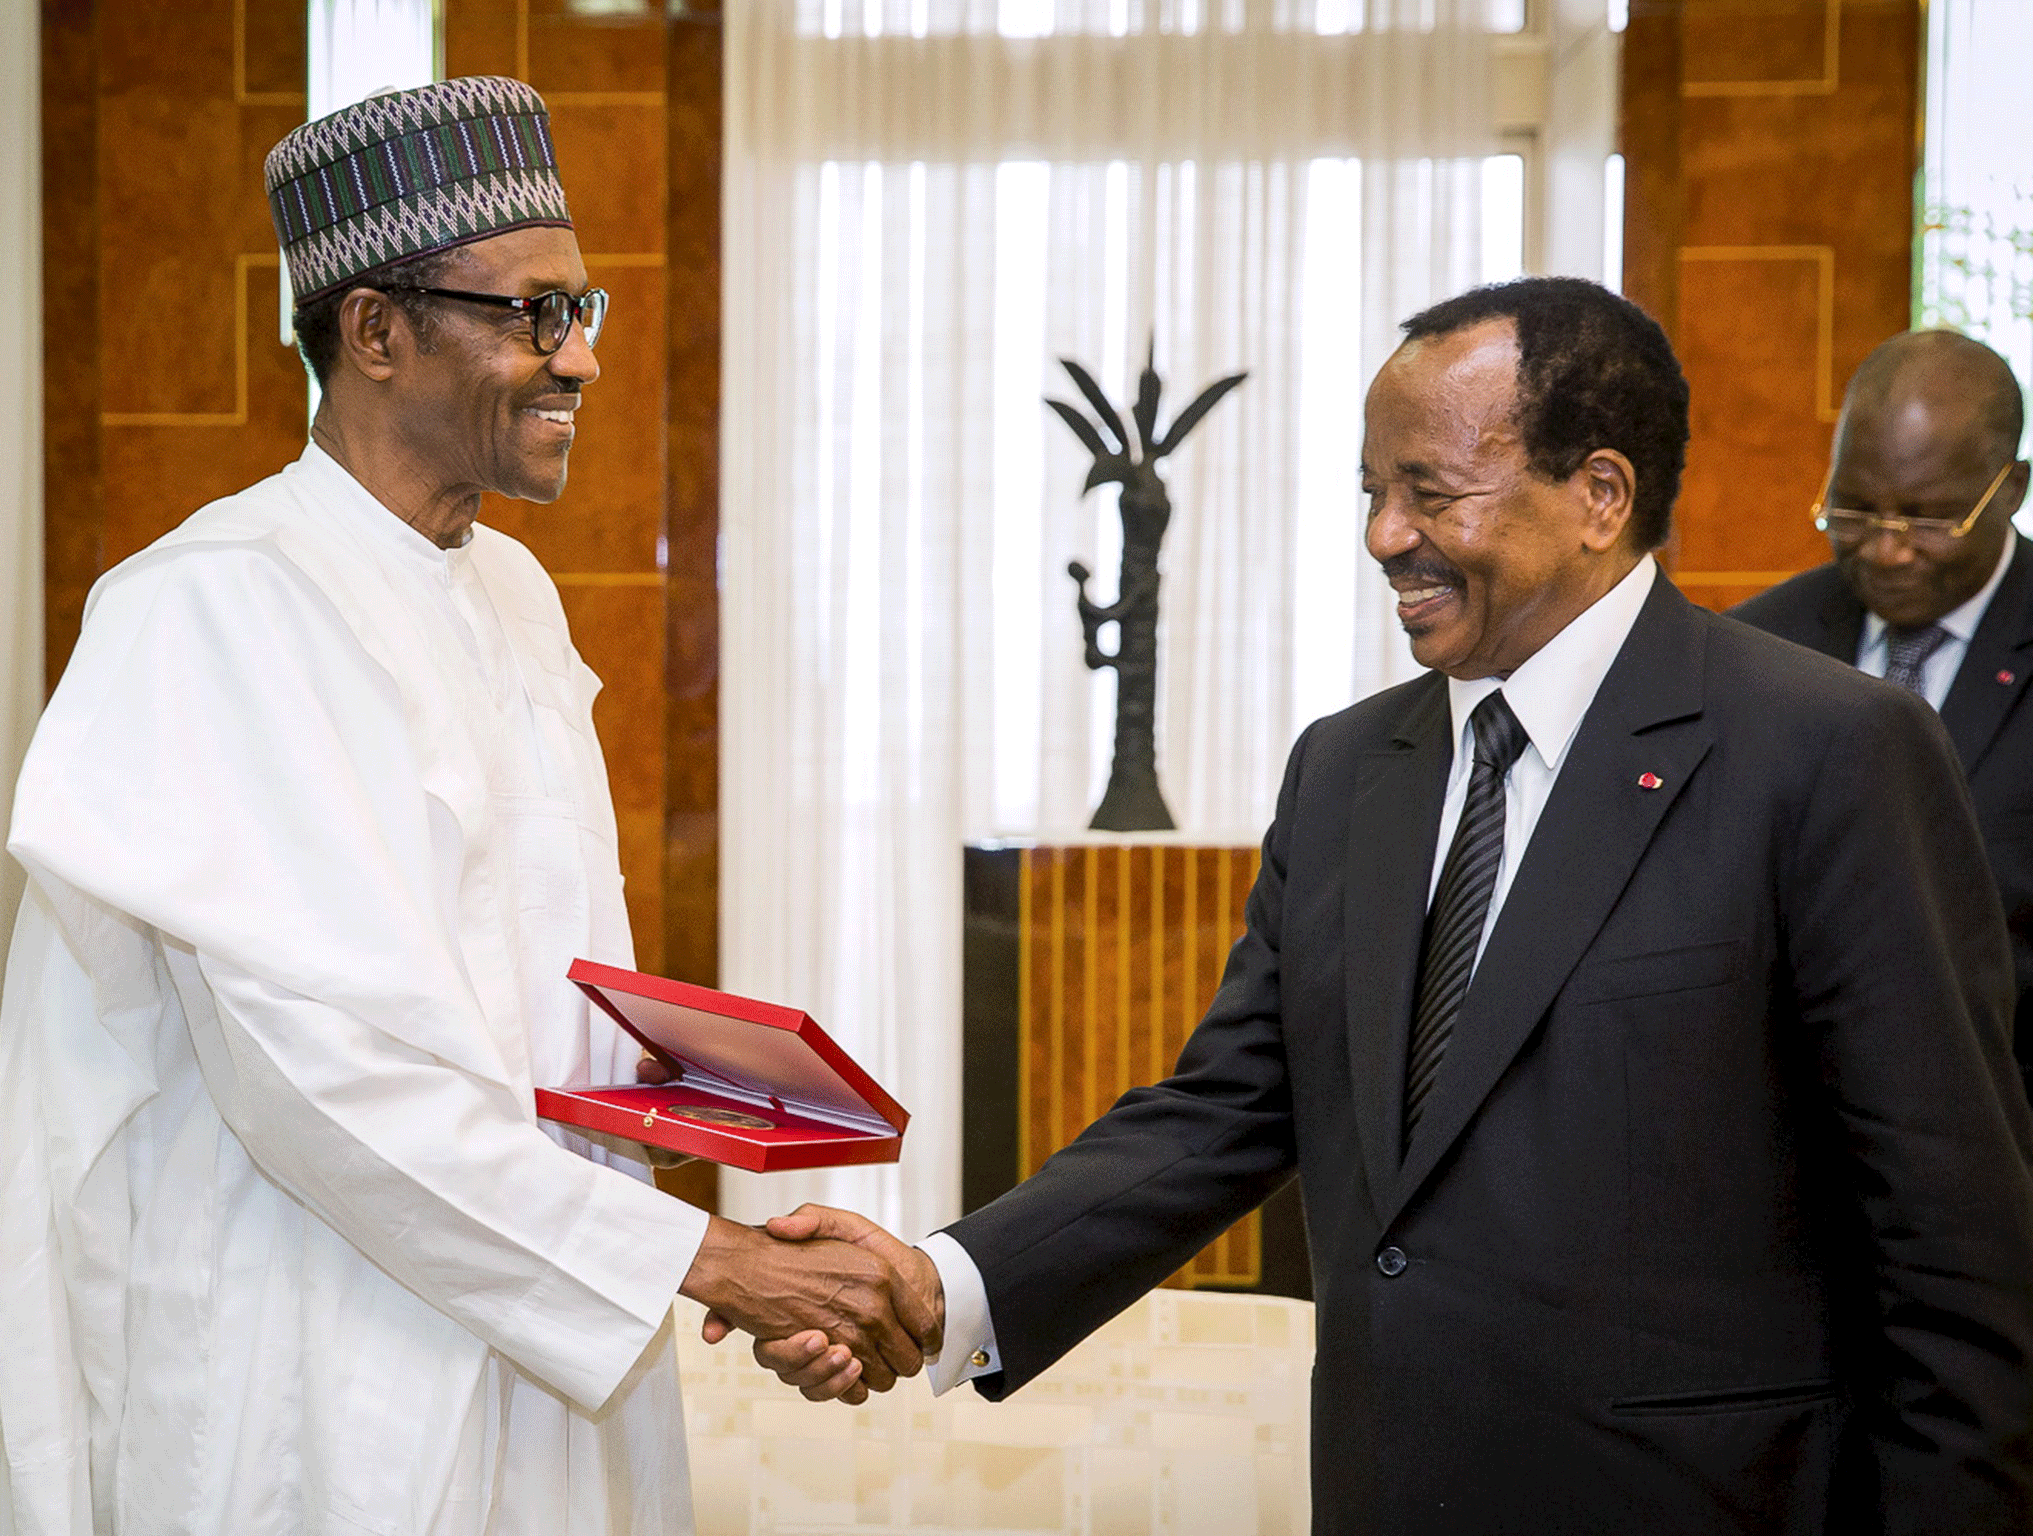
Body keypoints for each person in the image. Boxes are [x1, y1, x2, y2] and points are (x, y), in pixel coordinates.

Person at [740, 278, 2033, 1533]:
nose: (1384, 537)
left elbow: (1953, 1258)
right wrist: (940, 1283)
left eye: (1432, 491)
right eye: (1373, 493)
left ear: (1599, 495)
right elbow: (1228, 1110)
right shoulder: (1351, 768)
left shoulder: (1826, 751)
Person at [0, 77, 930, 1535]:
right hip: (317, 1371)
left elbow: (531, 1003)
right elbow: (323, 1083)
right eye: (533, 315)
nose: (583, 360)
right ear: (374, 331)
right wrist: (712, 1264)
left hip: (549, 1358)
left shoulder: (513, 594)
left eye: (584, 307)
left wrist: (730, 1113)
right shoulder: (208, 609)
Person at [1733, 330, 2033, 1099]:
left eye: (1929, 519)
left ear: (2011, 489)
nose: (1888, 551)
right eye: (1855, 511)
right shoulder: (1758, 646)